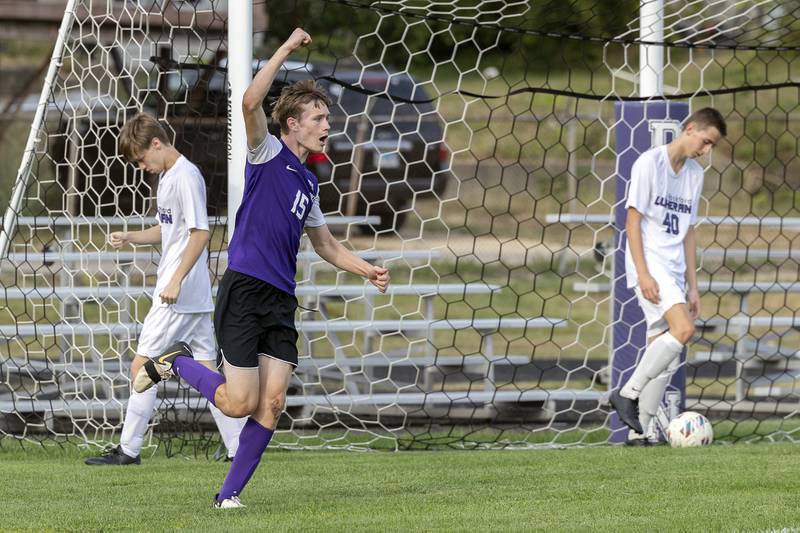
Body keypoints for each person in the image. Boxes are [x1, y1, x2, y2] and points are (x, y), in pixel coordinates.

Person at [132, 28, 390, 508]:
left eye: (327, 117)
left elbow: (328, 245)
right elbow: (249, 100)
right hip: (245, 290)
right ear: (292, 124)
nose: (326, 125)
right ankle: (177, 361)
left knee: (272, 405)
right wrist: (287, 49)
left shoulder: (309, 184)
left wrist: (366, 269)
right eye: (318, 117)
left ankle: (226, 498)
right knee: (238, 402)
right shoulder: (266, 152)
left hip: (280, 300)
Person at [85, 113, 244, 465]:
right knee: (207, 372)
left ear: (156, 144)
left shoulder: (186, 176)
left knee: (142, 367)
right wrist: (132, 236)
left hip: (179, 293)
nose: (142, 167)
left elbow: (200, 233)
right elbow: (168, 229)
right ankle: (239, 447)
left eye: (142, 159)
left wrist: (174, 280)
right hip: (193, 294)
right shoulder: (170, 176)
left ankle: (129, 450)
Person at [610, 107, 727, 445]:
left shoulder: (695, 174)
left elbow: (689, 232)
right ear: (689, 129)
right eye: (705, 142)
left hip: (674, 269)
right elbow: (632, 222)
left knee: (662, 351)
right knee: (684, 330)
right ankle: (628, 393)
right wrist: (643, 273)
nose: (705, 151)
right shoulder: (650, 162)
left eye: (711, 147)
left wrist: (693, 287)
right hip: (650, 264)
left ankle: (639, 433)